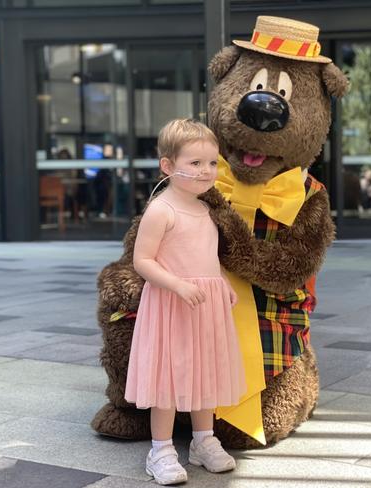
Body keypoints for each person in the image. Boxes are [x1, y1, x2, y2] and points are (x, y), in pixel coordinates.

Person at [124, 119, 246, 485]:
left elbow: (207, 256)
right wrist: (176, 285)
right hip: (171, 306)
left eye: (212, 163)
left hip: (202, 307)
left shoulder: (206, 210)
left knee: (203, 372)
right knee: (168, 377)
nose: (206, 171)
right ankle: (160, 449)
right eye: (195, 163)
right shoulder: (162, 210)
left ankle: (203, 440)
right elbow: (142, 260)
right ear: (167, 166)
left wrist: (221, 283)